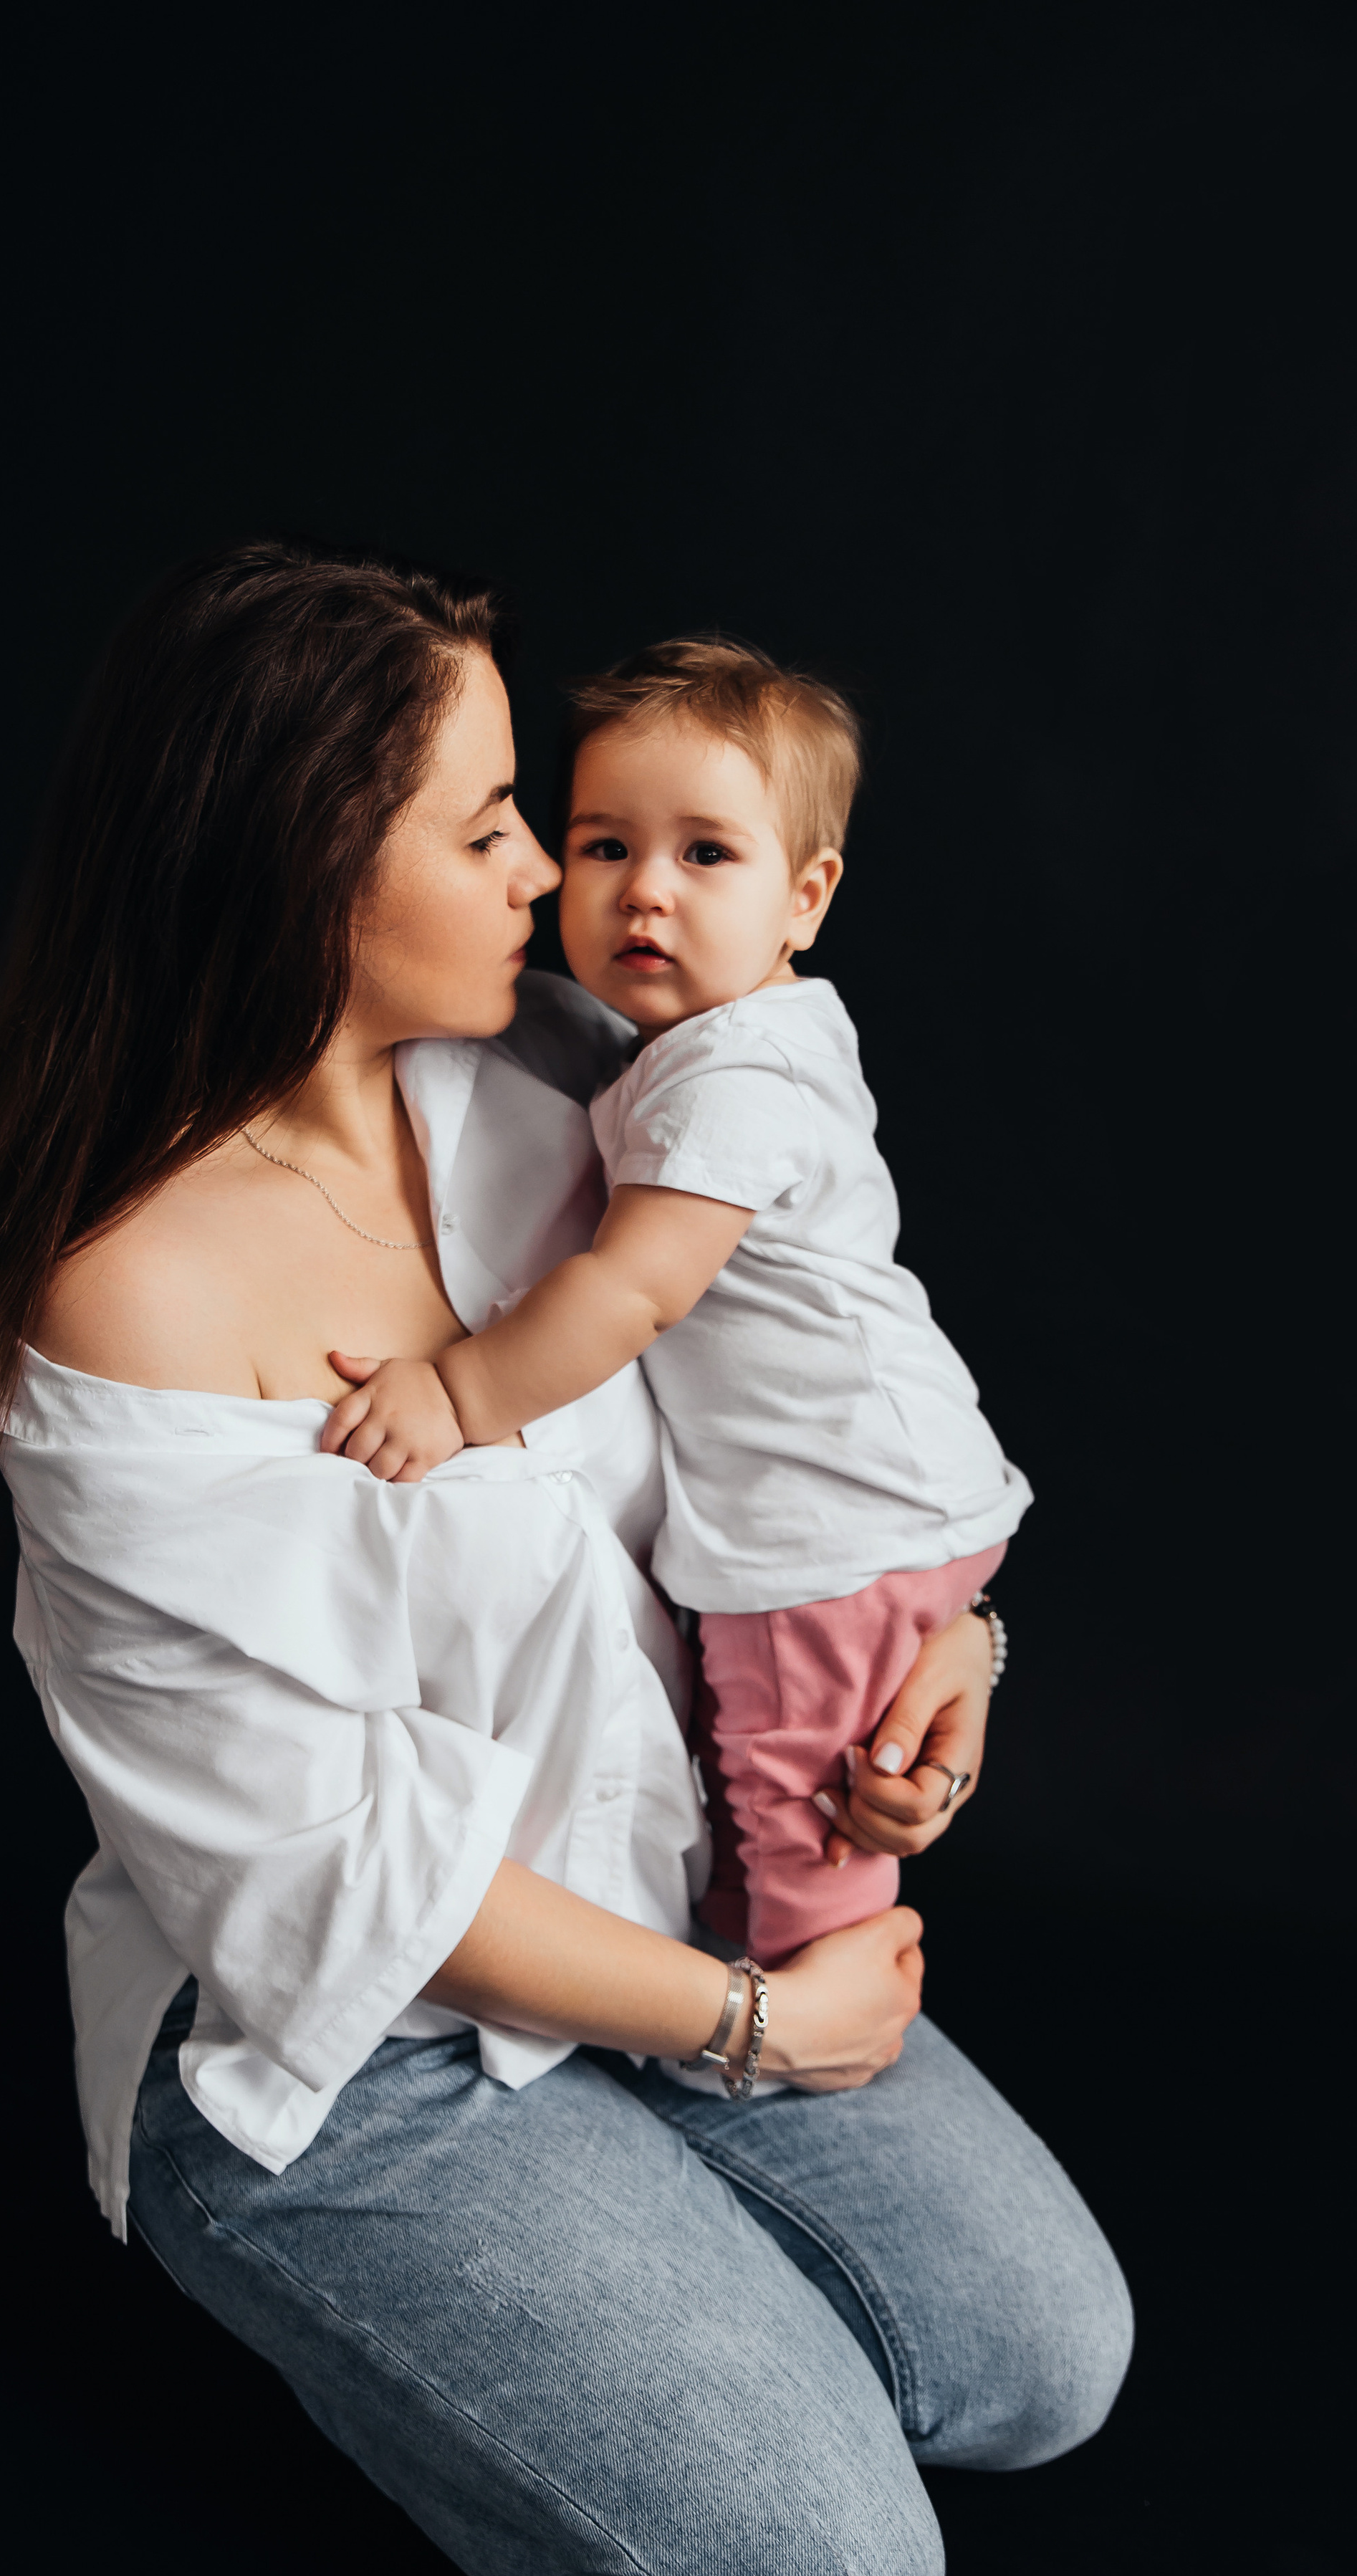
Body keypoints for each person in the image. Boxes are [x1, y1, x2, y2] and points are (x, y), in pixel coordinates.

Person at [0, 540, 1131, 2576]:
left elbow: (835, 1382)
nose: (559, 868)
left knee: (1043, 2366)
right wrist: (752, 2033)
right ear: (301, 874)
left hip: (648, 1889)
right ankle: (334, 2280)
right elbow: (329, 1869)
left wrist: (962, 1644)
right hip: (346, 2035)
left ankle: (621, 2236)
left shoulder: (576, 1075)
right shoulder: (126, 1296)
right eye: (487, 827)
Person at [318, 638, 1031, 1971]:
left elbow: (635, 1288)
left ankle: (793, 2005)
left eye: (707, 855)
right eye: (603, 847)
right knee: (796, 1779)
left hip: (820, 1530)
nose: (644, 891)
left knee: (791, 1800)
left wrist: (458, 1391)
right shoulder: (715, 1041)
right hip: (892, 1494)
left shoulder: (729, 1078)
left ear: (806, 898)